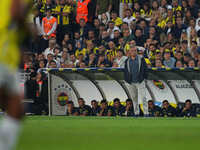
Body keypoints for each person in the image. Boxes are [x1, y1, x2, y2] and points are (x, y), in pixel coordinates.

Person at [0, 0, 29, 150]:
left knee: (15, 107)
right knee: (15, 108)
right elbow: (16, 11)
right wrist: (29, 30)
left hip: (8, 56)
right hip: (3, 53)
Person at [124, 46, 148, 116]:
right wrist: (127, 80)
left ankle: (146, 113)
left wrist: (144, 78)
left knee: (143, 97)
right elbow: (126, 71)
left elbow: (145, 69)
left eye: (135, 51)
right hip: (131, 82)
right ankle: (136, 113)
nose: (133, 52)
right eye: (132, 51)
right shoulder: (127, 61)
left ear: (137, 51)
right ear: (129, 52)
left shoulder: (141, 59)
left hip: (140, 81)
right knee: (134, 98)